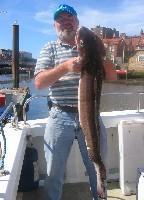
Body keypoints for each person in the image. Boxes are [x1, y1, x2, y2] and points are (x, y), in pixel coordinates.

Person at [34, 4, 107, 200]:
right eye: (61, 19)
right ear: (54, 25)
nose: (66, 21)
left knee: (97, 168)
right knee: (53, 174)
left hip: (91, 115)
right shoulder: (49, 48)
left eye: (70, 18)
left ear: (77, 22)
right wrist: (65, 67)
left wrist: (100, 52)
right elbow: (39, 82)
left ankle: (100, 195)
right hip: (60, 116)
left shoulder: (91, 46)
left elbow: (113, 76)